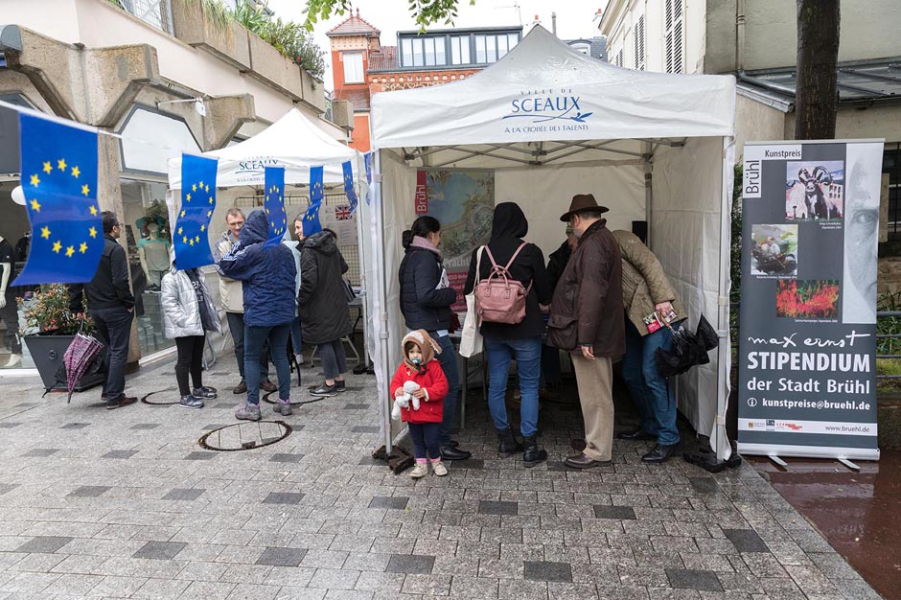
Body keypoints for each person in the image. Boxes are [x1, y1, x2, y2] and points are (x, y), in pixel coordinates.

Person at [464, 202, 552, 467]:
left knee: (497, 386)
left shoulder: (481, 253)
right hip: (526, 329)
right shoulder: (531, 251)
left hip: (493, 329)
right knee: (527, 386)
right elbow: (546, 294)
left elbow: (470, 288)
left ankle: (505, 439)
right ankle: (529, 446)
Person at [547, 194, 624, 469]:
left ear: (576, 219)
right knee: (597, 392)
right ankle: (596, 440)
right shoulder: (601, 239)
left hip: (593, 335)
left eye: (571, 223)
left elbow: (591, 292)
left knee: (595, 394)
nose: (572, 229)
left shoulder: (592, 244)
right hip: (597, 331)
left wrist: (586, 336)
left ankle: (598, 450)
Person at [398, 216, 471, 461]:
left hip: (418, 329)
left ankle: (433, 440)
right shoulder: (426, 259)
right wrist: (451, 294)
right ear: (432, 235)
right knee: (448, 386)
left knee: (428, 388)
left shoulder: (410, 256)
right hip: (432, 334)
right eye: (439, 235)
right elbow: (426, 295)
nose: (440, 239)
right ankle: (441, 442)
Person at [613, 229, 687, 463]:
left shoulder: (620, 238)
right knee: (631, 373)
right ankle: (651, 425)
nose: (571, 243)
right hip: (635, 321)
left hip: (658, 313)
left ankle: (668, 437)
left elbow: (650, 263)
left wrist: (663, 298)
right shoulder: (595, 251)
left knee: (652, 373)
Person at [219, 209, 296, 420]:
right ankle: (284, 401)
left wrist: (242, 244)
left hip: (260, 313)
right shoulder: (284, 249)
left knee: (251, 357)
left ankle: (253, 406)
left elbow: (225, 265)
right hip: (284, 312)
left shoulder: (252, 250)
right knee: (280, 354)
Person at [68, 211, 137, 410]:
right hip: (115, 308)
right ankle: (115, 396)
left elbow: (74, 281)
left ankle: (108, 389)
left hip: (95, 309)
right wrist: (128, 302)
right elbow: (120, 281)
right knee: (118, 351)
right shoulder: (115, 249)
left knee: (110, 348)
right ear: (114, 228)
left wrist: (76, 306)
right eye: (119, 226)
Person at [214, 208, 276, 395]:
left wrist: (243, 270)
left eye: (240, 222)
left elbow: (260, 267)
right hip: (233, 303)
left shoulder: (257, 240)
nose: (237, 227)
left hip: (256, 300)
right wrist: (250, 272)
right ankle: (246, 378)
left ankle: (263, 376)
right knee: (240, 344)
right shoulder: (221, 244)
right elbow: (223, 272)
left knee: (262, 343)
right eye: (233, 224)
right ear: (227, 225)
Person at [296, 218, 353, 397]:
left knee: (323, 341)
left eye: (298, 227)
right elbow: (343, 267)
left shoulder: (308, 250)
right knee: (335, 339)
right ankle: (340, 380)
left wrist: (301, 299)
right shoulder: (330, 244)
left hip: (318, 304)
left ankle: (329, 384)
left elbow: (309, 281)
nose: (296, 232)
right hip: (336, 301)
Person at [160, 248, 221, 409]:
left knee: (197, 356)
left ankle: (198, 387)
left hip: (199, 322)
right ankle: (185, 395)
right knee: (184, 359)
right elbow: (169, 303)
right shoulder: (170, 278)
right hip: (185, 326)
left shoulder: (196, 273)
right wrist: (184, 321)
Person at [390, 330, 449, 478]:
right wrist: (397, 391)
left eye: (419, 351)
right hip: (413, 414)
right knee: (416, 440)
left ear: (426, 352)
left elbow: (442, 387)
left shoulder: (434, 367)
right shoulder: (404, 368)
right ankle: (421, 464)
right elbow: (395, 383)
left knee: (431, 440)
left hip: (430, 413)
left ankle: (436, 461)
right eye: (411, 351)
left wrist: (426, 392)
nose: (415, 355)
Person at [540, 229, 578, 396]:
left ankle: (555, 381)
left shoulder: (582, 252)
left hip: (573, 312)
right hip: (563, 312)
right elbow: (549, 286)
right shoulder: (559, 257)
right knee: (550, 341)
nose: (571, 242)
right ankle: (552, 380)